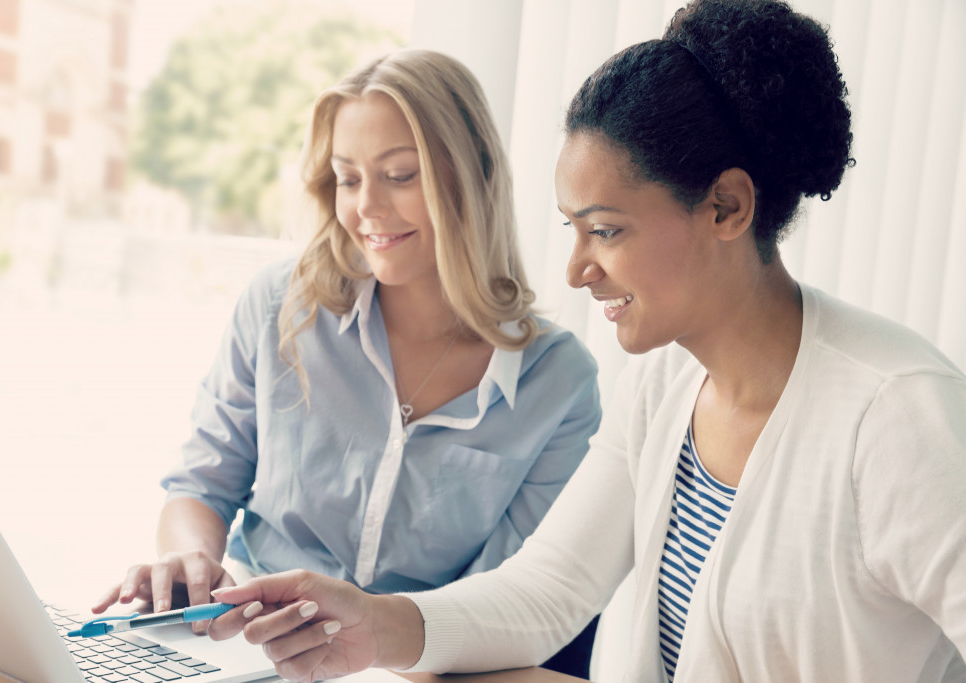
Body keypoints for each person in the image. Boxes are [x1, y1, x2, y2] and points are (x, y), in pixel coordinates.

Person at [200, 1, 966, 681]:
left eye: (605, 230)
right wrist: (368, 626)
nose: (575, 269)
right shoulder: (664, 385)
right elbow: (548, 590)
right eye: (572, 230)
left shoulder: (895, 414)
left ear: (726, 207)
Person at [91, 49, 603, 677]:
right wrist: (192, 560)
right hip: (250, 650)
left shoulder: (559, 384)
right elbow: (201, 484)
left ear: (471, 176)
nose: (366, 209)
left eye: (399, 175)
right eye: (348, 177)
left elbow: (504, 605)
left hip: (416, 669)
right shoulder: (282, 304)